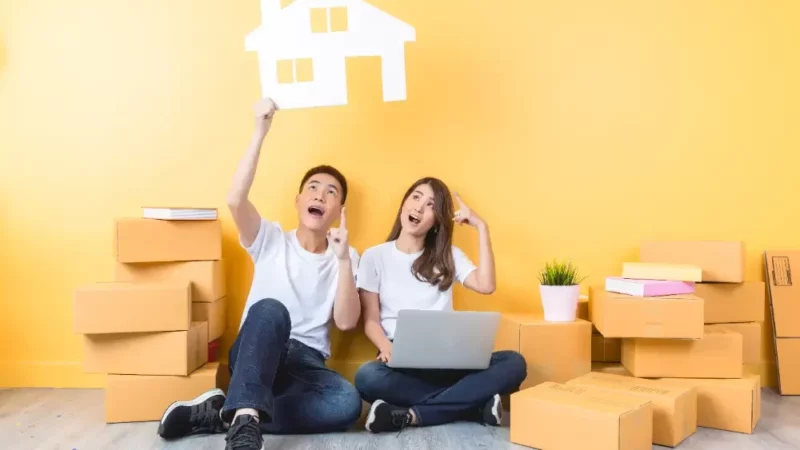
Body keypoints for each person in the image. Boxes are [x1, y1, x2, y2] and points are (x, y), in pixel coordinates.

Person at [156, 98, 363, 449]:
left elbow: (345, 322)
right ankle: (246, 423)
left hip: (305, 365)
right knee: (271, 309)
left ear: (339, 210)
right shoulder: (270, 238)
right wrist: (259, 130)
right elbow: (235, 200)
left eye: (331, 193)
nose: (320, 196)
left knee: (347, 403)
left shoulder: (347, 255)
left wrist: (343, 260)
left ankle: (231, 412)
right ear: (298, 201)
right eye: (313, 188)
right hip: (258, 349)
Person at [353, 177, 527, 433]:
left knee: (514, 363)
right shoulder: (374, 256)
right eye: (416, 197)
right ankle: (472, 405)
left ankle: (412, 415)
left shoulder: (449, 255)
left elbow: (486, 285)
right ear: (404, 203)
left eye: (431, 205)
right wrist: (386, 347)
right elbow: (370, 320)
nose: (419, 207)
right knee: (367, 376)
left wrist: (482, 227)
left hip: (450, 359)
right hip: (402, 361)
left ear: (436, 221)